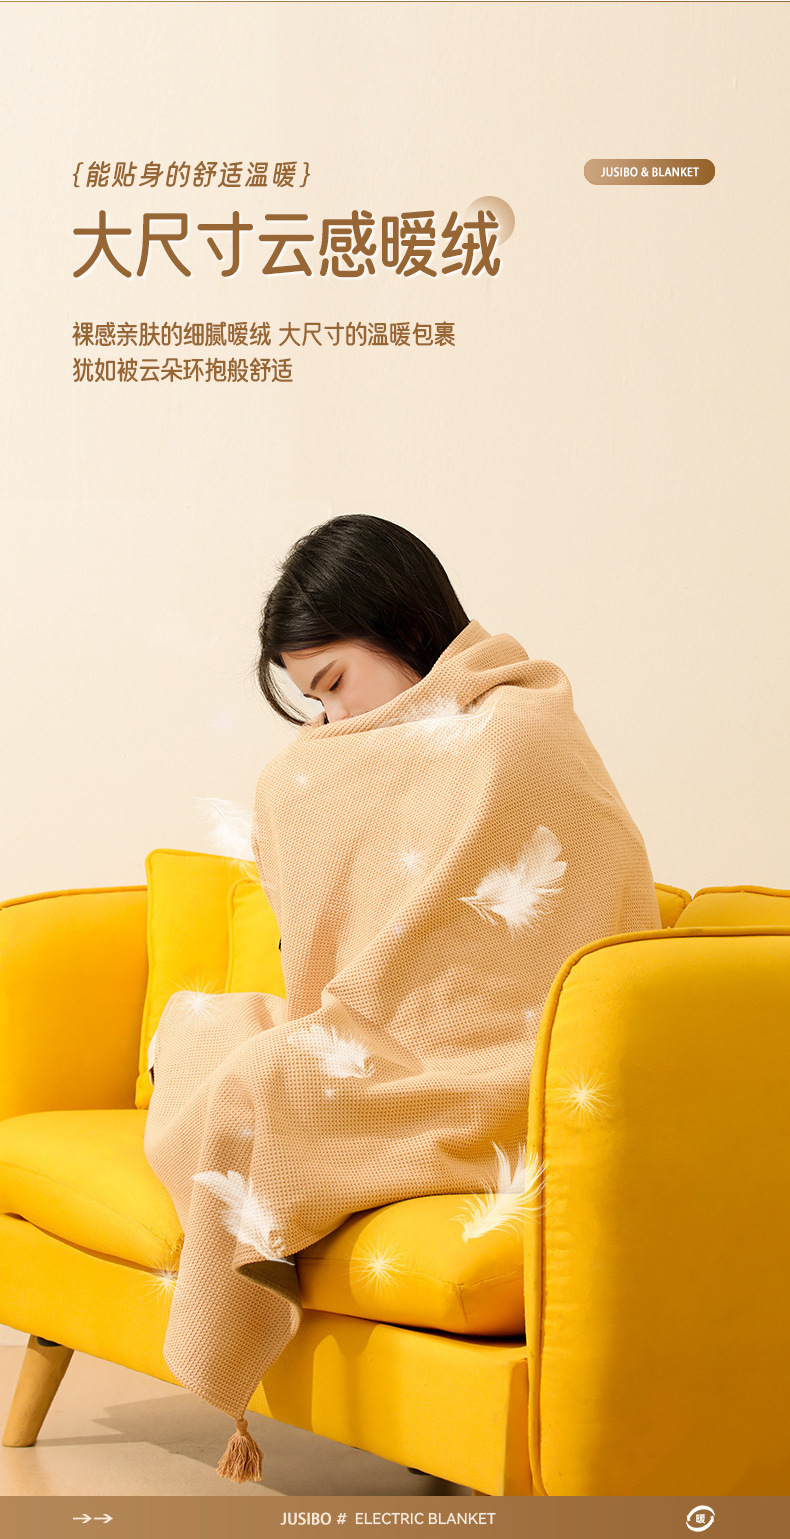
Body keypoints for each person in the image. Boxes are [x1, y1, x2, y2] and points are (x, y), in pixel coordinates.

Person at [255, 513, 469, 725]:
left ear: (406, 631)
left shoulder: (486, 732)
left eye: (335, 683)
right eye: (320, 702)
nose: (335, 719)